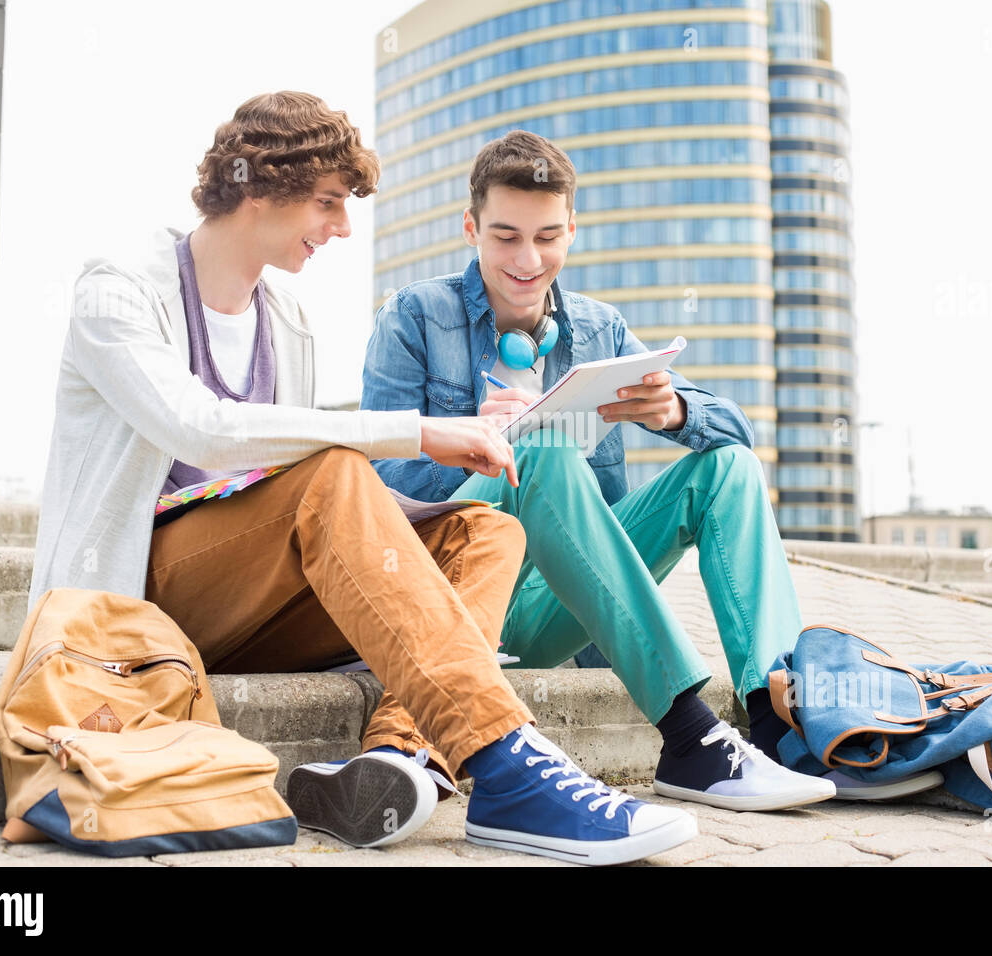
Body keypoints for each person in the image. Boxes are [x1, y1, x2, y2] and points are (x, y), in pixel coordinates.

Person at [26, 93, 697, 865]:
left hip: (252, 601)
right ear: (259, 187)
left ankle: (400, 756)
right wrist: (415, 433)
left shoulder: (288, 317)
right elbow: (198, 426)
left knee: (483, 530)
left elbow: (271, 474)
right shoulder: (117, 291)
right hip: (137, 607)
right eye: (329, 203)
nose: (342, 228)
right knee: (335, 473)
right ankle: (510, 761)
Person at [363, 130, 939, 811]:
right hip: (467, 595)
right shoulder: (413, 317)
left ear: (572, 231)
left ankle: (784, 726)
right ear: (471, 229)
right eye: (506, 236)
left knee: (727, 467)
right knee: (545, 448)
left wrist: (670, 413)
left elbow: (735, 430)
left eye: (548, 236)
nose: (527, 258)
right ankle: (692, 740)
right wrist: (474, 441)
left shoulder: (601, 330)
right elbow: (379, 492)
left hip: (573, 608)